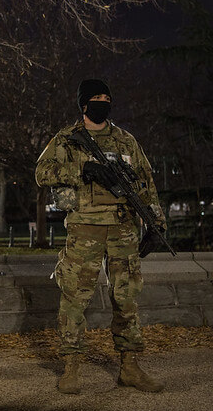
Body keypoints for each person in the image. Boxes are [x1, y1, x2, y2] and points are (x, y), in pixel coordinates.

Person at [35, 78, 167, 394]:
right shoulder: (67, 139)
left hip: (123, 229)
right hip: (84, 229)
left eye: (106, 97)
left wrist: (156, 223)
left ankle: (130, 368)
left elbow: (145, 182)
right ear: (84, 104)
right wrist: (82, 172)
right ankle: (71, 368)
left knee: (126, 299)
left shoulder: (125, 141)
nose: (102, 102)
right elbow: (42, 173)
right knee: (74, 299)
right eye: (96, 97)